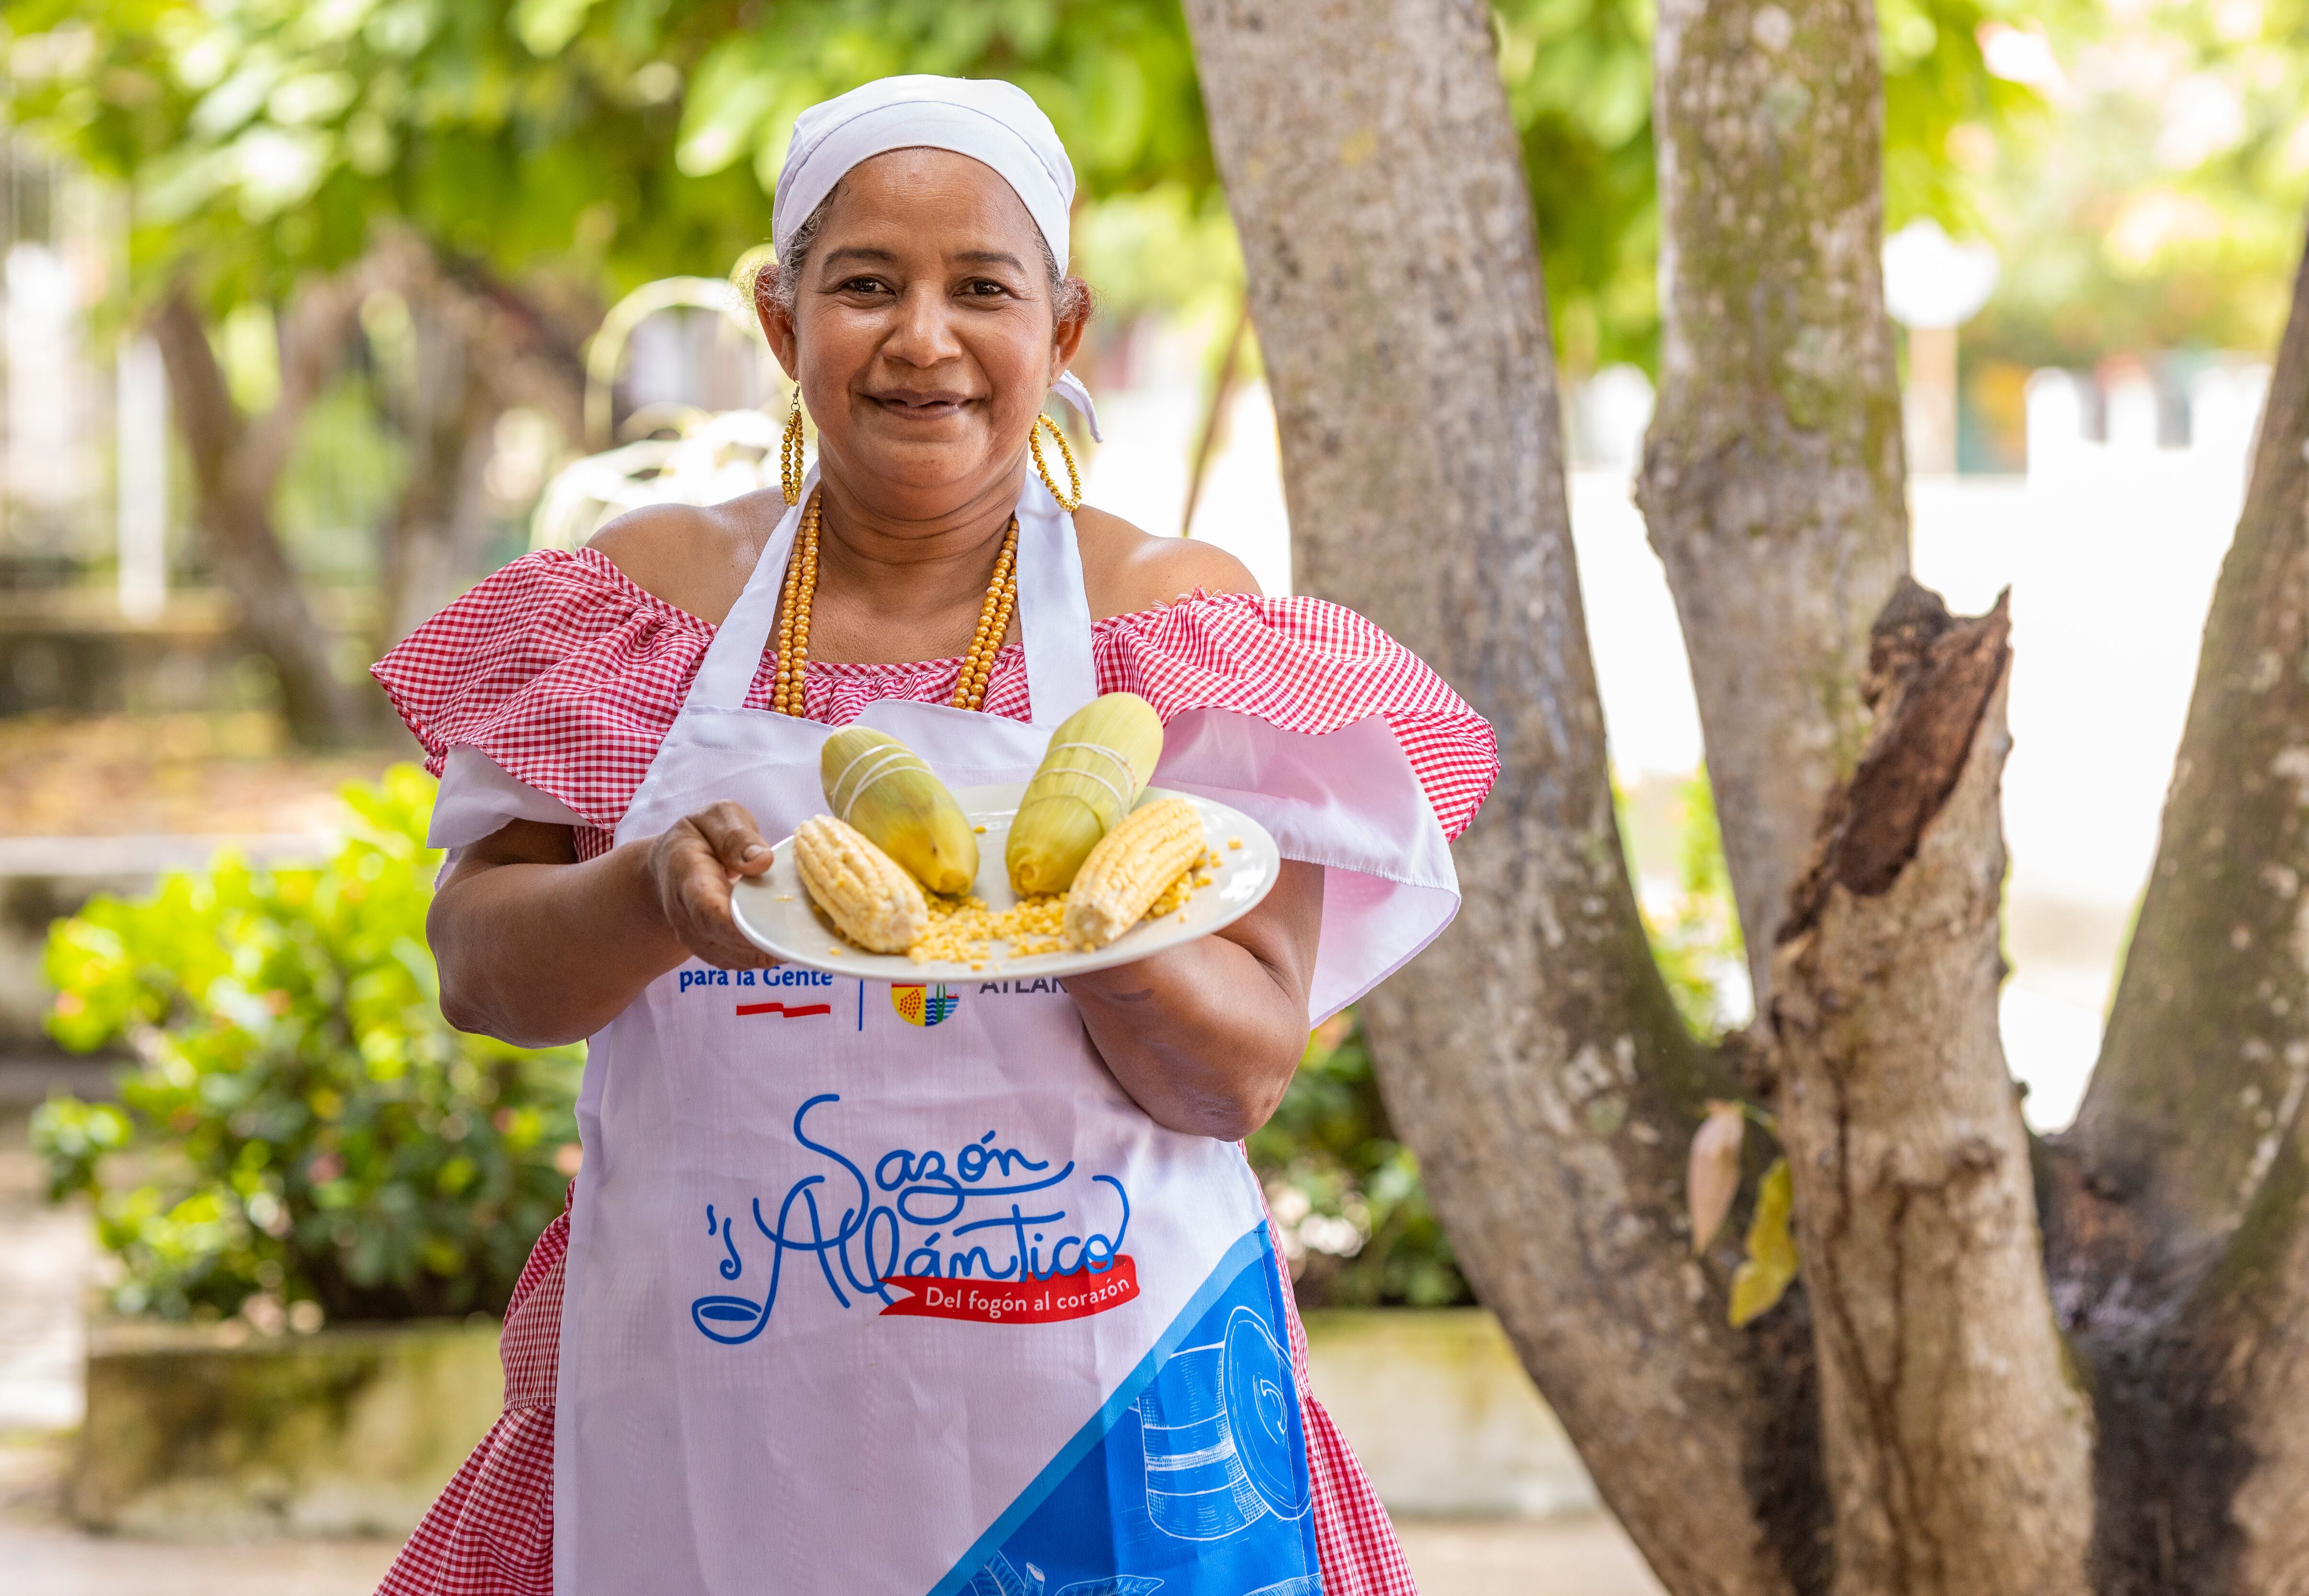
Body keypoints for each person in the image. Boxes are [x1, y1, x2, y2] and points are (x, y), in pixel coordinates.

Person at [373, 74, 1496, 1596]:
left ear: (1064, 329)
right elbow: (480, 973)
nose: (922, 337)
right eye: (864, 286)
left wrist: (1071, 927)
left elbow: (1237, 1073)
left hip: (1097, 1428)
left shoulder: (1174, 620)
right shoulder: (640, 598)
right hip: (712, 1422)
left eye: (982, 288)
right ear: (781, 326)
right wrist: (650, 897)